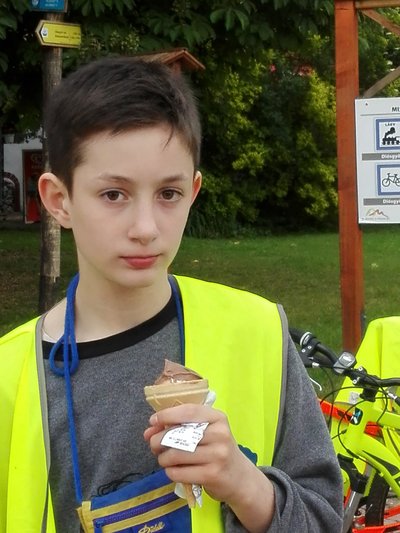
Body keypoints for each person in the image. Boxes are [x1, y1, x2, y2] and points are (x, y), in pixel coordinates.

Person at [0, 56, 343, 533]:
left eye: (168, 194)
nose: (146, 228)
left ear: (193, 191)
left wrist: (244, 484)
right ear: (60, 200)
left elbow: (325, 519)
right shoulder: (11, 376)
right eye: (114, 195)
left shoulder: (257, 331)